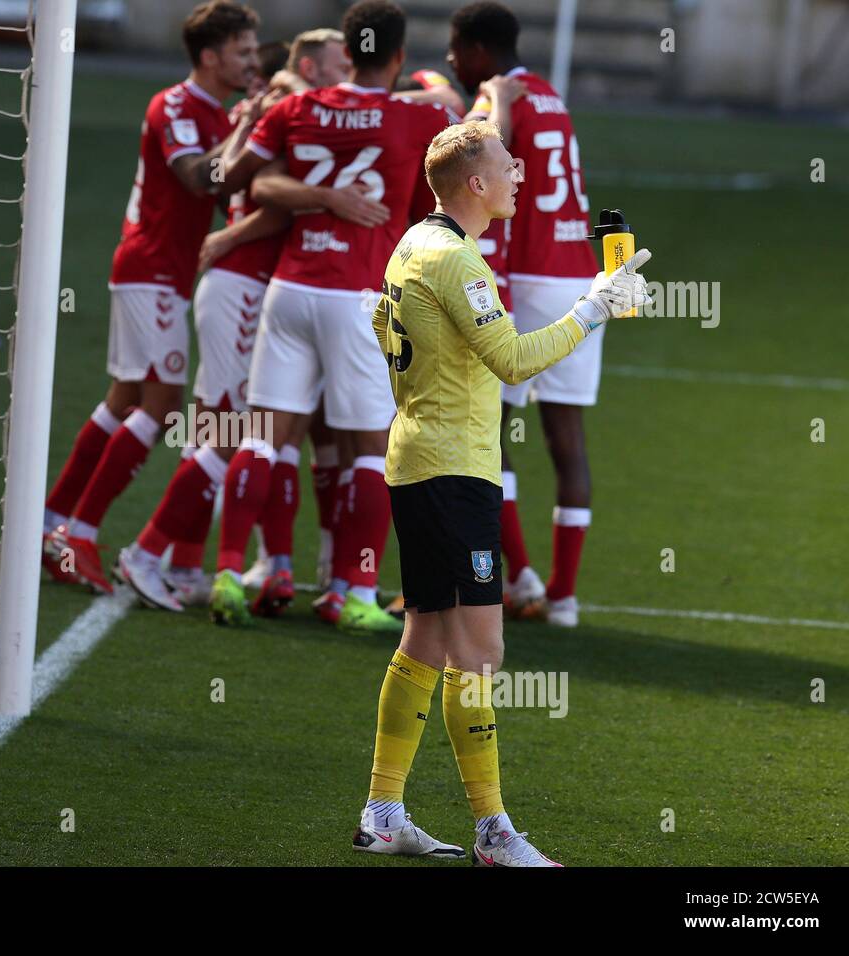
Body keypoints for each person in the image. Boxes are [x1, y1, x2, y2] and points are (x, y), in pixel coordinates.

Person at [355, 120, 649, 864]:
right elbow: (515, 361)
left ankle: (383, 811)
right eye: (507, 165)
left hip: (420, 461)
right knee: (479, 653)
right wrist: (595, 307)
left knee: (424, 637)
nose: (522, 172)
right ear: (475, 184)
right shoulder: (455, 260)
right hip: (453, 475)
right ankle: (494, 832)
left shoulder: (413, 246)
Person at [207, 0, 459, 633]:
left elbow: (236, 179)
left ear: (348, 51)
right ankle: (352, 591)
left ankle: (230, 574)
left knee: (264, 434)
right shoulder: (411, 120)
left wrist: (308, 188)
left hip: (290, 288)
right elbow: (421, 213)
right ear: (398, 56)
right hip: (357, 298)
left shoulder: (295, 108)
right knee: (373, 450)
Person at [116, 29, 372, 611]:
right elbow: (270, 197)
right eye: (340, 64)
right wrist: (240, 231)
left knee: (231, 432)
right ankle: (146, 552)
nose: (349, 74)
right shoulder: (295, 110)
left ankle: (185, 562)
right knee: (230, 432)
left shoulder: (306, 112)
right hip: (243, 282)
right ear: (311, 66)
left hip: (256, 286)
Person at [41, 1, 261, 594]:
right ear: (211, 56)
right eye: (241, 51)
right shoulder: (177, 106)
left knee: (123, 400)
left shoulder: (216, 114)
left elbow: (226, 194)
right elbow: (199, 177)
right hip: (151, 270)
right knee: (163, 406)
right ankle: (80, 534)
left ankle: (52, 521)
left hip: (164, 274)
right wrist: (251, 127)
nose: (250, 61)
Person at [449, 1, 605, 626]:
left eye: (457, 52)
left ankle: (520, 576)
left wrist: (487, 104)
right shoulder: (554, 97)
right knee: (567, 440)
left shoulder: (499, 102)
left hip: (531, 276)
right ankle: (563, 597)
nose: (453, 63)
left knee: (491, 432)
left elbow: (485, 159)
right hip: (580, 276)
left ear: (480, 52)